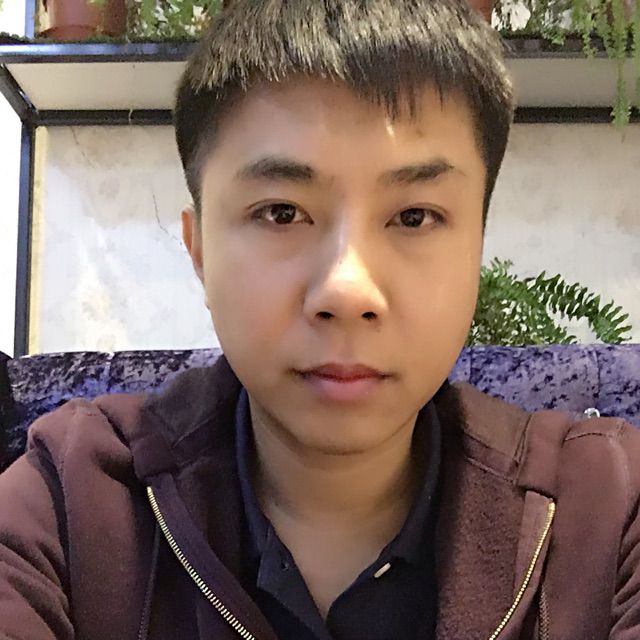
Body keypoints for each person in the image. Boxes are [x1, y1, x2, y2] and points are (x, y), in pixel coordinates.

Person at [1, 1, 640, 638]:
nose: (347, 289)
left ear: (477, 247)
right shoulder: (71, 505)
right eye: (282, 212)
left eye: (414, 216)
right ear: (199, 251)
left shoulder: (607, 509)